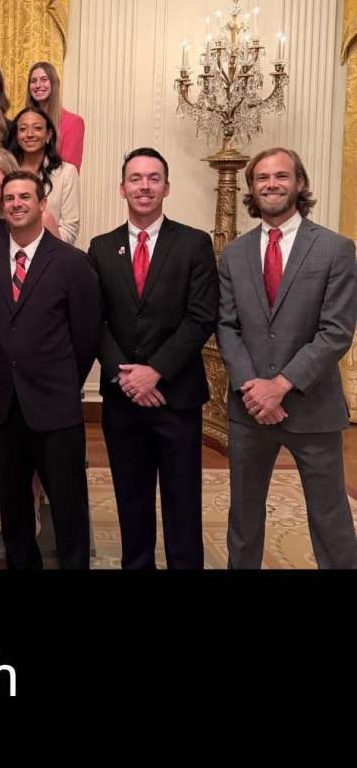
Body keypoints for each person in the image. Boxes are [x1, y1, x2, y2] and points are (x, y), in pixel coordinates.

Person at [216, 147, 357, 569]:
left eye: (281, 176)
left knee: (330, 519)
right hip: (250, 409)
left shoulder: (335, 248)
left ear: (299, 183)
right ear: (251, 187)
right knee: (243, 517)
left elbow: (336, 331)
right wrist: (253, 388)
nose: (272, 184)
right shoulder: (233, 253)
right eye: (262, 178)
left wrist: (280, 386)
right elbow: (226, 327)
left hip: (312, 408)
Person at [88, 147, 218, 570]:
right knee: (131, 498)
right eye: (136, 178)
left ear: (166, 187)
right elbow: (94, 320)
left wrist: (155, 372)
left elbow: (201, 317)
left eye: (153, 178)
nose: (144, 186)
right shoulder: (101, 247)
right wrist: (127, 376)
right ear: (122, 188)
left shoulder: (194, 243)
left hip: (176, 396)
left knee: (183, 502)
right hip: (122, 398)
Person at [0, 171, 100, 569]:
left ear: (42, 204)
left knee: (67, 501)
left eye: (25, 197)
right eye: (9, 198)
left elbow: (86, 336)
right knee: (13, 501)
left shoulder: (72, 262)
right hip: (4, 402)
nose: (16, 204)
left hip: (55, 403)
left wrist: (62, 380)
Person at [9, 106, 80, 244]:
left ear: (49, 134)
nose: (29, 134)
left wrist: (44, 250)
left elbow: (69, 228)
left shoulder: (66, 172)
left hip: (51, 251)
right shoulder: (7, 171)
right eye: (23, 129)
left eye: (37, 128)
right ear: (16, 136)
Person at [27, 61, 85, 172]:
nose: (38, 85)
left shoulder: (73, 122)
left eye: (44, 79)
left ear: (54, 84)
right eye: (33, 81)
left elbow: (69, 171)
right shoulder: (23, 122)